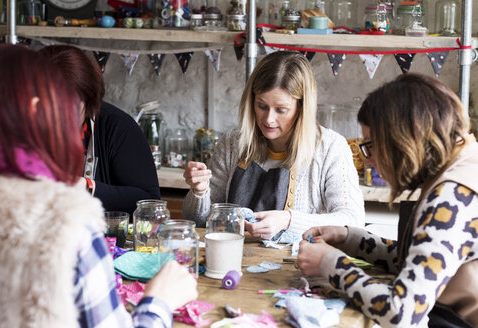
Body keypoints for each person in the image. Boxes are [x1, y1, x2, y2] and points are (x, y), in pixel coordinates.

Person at [0, 44, 197, 328]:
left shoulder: (118, 129)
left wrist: (86, 185)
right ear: (36, 109)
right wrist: (158, 301)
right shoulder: (68, 224)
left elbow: (149, 199)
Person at [296, 73, 478, 327]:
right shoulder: (464, 165)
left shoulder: (452, 197)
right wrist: (348, 238)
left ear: (402, 140)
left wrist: (330, 264)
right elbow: (416, 261)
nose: (367, 159)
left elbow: (400, 313)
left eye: (370, 146)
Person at [183, 51, 365, 239]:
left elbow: (353, 220)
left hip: (299, 263)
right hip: (234, 257)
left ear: (301, 108)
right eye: (262, 106)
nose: (269, 119)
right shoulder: (232, 144)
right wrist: (199, 192)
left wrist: (288, 220)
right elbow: (197, 221)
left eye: (281, 110)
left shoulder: (330, 148)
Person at [39, 45, 160, 215]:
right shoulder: (21, 126)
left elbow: (150, 204)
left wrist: (87, 187)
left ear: (88, 97)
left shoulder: (118, 127)